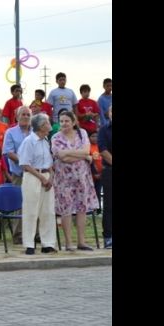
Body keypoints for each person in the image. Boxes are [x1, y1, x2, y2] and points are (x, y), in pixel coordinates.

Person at [51, 110, 98, 251]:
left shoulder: (82, 133)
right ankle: (68, 242)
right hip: (63, 180)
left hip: (82, 178)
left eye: (67, 121)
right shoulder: (56, 137)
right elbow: (61, 157)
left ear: (74, 122)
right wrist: (82, 156)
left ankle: (81, 241)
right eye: (61, 121)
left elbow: (85, 151)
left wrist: (70, 153)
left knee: (81, 209)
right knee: (66, 210)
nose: (64, 123)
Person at [18, 113, 58, 254]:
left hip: (47, 175)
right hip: (33, 177)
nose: (50, 125)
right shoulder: (29, 141)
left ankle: (47, 243)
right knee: (31, 211)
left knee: (47, 211)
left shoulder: (46, 140)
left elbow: (50, 162)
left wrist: (51, 177)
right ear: (41, 126)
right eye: (47, 123)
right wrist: (41, 178)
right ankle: (29, 244)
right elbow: (25, 164)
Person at [2, 106, 33, 244]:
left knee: (34, 203)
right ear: (17, 116)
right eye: (23, 114)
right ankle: (18, 235)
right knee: (19, 205)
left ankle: (34, 234)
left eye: (28, 114)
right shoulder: (10, 132)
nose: (26, 116)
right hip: (19, 173)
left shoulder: (36, 132)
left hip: (35, 174)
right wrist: (25, 163)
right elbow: (9, 152)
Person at [98, 105, 112, 249]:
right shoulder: (103, 129)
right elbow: (102, 150)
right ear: (109, 113)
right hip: (110, 171)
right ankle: (108, 237)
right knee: (109, 206)